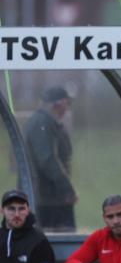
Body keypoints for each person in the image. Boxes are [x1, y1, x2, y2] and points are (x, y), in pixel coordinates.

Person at [24, 87, 76, 230]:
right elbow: (47, 160)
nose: (67, 108)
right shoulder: (43, 123)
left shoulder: (45, 122)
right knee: (59, 240)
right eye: (66, 103)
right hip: (48, 200)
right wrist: (67, 188)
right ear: (57, 104)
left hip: (50, 198)